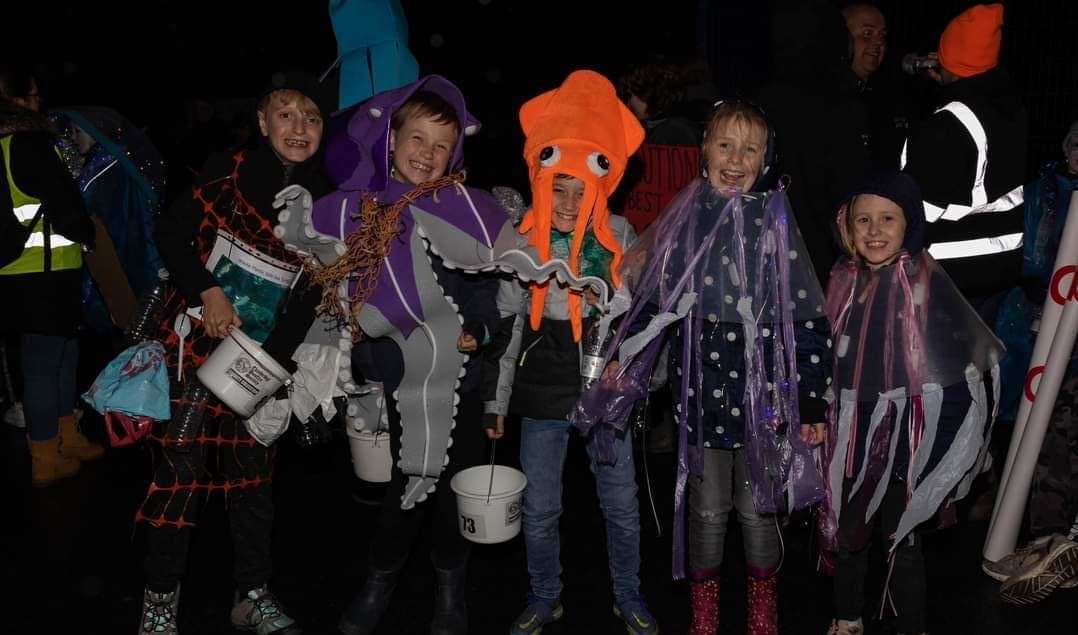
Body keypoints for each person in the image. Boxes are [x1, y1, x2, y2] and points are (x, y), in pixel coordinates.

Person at [574, 100, 832, 635]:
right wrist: (627, 359)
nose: (736, 158)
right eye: (724, 145)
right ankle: (704, 612)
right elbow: (650, 300)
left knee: (760, 506)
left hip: (764, 398)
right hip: (704, 396)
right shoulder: (687, 217)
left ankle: (763, 608)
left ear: (766, 159)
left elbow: (807, 317)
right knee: (707, 508)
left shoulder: (775, 221)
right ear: (703, 153)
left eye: (750, 148)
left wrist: (809, 400)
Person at [135, 71, 332, 635]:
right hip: (194, 351)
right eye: (286, 113)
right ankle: (159, 605)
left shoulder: (328, 202)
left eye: (312, 117)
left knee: (253, 487)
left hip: (261, 365)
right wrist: (208, 289)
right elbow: (170, 232)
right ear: (263, 122)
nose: (299, 126)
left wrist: (275, 363)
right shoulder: (229, 173)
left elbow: (315, 289)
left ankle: (252, 596)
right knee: (179, 477)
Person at [306, 77, 500, 635]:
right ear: (391, 141)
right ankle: (380, 580)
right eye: (418, 139)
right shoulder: (358, 212)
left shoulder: (462, 210)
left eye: (442, 146)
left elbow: (482, 286)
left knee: (450, 491)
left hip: (457, 384)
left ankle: (449, 587)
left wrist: (480, 329)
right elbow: (336, 287)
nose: (428, 155)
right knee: (403, 491)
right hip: (389, 381)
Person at [480, 70, 657, 635]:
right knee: (539, 509)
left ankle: (628, 595)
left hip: (603, 389)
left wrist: (633, 376)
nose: (569, 200)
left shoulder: (623, 237)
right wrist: (496, 401)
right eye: (560, 186)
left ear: (604, 186)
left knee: (622, 507)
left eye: (583, 188)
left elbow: (642, 323)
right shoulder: (521, 239)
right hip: (542, 388)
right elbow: (508, 327)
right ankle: (543, 594)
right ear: (540, 176)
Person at [821, 171, 1002, 635]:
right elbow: (824, 351)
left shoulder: (925, 282)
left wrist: (946, 443)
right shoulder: (842, 280)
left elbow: (954, 362)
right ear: (847, 226)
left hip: (909, 433)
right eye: (863, 220)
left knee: (902, 537)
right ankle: (847, 616)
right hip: (853, 433)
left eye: (887, 219)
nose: (875, 230)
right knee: (850, 530)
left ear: (909, 226)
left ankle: (912, 624)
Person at [983, 121, 1078, 603]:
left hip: (1065, 342)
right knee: (1027, 429)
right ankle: (1039, 540)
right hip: (1033, 329)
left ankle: (1053, 541)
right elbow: (1026, 256)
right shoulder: (1044, 193)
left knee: (1056, 430)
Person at [0, 72, 101, 488]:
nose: (39, 103)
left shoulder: (6, 144)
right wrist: (89, 234)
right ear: (17, 99)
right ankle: (45, 453)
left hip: (20, 271)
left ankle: (66, 436)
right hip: (45, 271)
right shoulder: (31, 143)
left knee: (62, 355)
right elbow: (65, 204)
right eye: (35, 96)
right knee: (44, 364)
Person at [900, 3, 1027, 322]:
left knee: (941, 367)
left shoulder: (944, 125)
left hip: (951, 274)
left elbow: (916, 208)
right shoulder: (1010, 109)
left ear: (951, 59)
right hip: (1001, 267)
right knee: (980, 361)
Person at [50, 107, 166, 336]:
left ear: (94, 132)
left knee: (130, 324)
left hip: (120, 255)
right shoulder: (107, 162)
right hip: (120, 253)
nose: (73, 138)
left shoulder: (104, 167)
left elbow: (83, 205)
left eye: (77, 132)